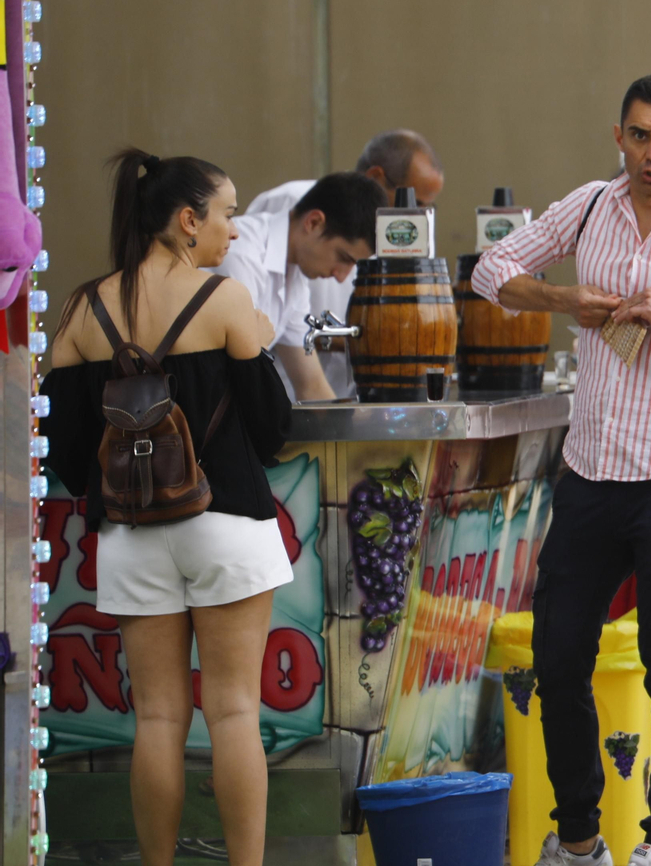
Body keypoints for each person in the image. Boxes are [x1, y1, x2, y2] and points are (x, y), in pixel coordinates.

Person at [471, 74, 651, 866]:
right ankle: (579, 837)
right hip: (593, 472)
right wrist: (564, 299)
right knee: (559, 659)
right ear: (619, 136)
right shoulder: (592, 205)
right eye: (641, 136)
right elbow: (491, 270)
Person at [40, 150, 294, 866]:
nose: (234, 231)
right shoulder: (224, 302)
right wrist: (262, 345)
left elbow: (63, 450)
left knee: (156, 718)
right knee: (236, 711)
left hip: (130, 532)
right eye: (227, 213)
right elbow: (273, 427)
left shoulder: (82, 312)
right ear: (188, 221)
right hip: (225, 524)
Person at [246, 130, 444, 396]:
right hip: (279, 393)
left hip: (347, 396)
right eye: (414, 202)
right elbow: (257, 324)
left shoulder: (411, 231)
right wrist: (355, 340)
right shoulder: (289, 203)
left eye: (426, 209)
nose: (418, 215)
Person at [209, 171, 385, 402]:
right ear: (313, 223)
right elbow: (240, 380)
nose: (341, 277)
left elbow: (311, 386)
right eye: (343, 258)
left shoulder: (293, 278)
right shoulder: (241, 255)